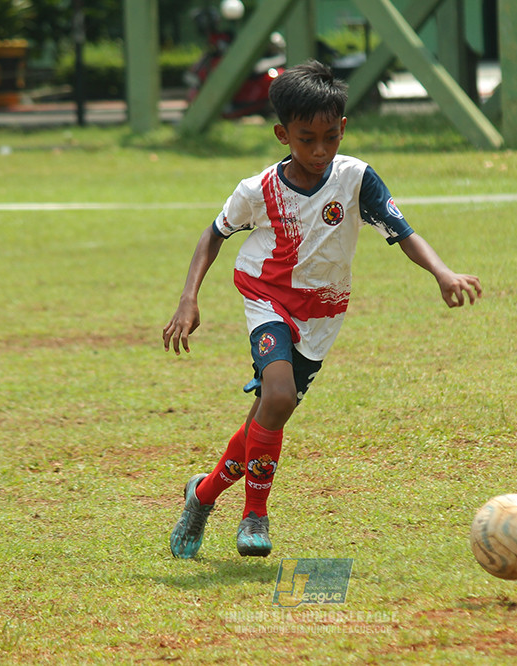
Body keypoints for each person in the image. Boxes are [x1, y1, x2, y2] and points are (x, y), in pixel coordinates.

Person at [162, 60, 482, 558]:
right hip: (267, 297)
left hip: (323, 314)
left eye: (329, 137)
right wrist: (189, 298)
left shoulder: (355, 180)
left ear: (343, 130)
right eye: (305, 138)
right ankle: (255, 516)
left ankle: (201, 496)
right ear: (282, 134)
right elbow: (214, 234)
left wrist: (442, 272)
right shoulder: (258, 190)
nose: (318, 150)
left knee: (266, 416)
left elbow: (402, 232)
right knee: (280, 396)